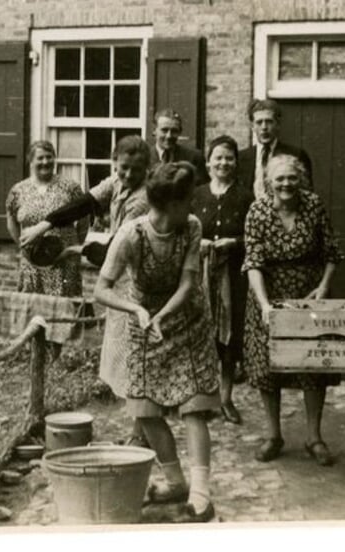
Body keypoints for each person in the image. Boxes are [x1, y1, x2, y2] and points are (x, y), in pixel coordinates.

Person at [93, 162, 220, 522]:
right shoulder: (131, 236)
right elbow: (101, 289)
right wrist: (135, 310)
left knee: (194, 406)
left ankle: (200, 493)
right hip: (141, 320)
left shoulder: (191, 227)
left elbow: (188, 283)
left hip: (187, 319)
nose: (192, 208)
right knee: (145, 410)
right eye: (188, 201)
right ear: (171, 205)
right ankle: (176, 482)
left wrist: (163, 315)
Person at [19, 135, 152, 444]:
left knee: (136, 357)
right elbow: (84, 204)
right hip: (121, 282)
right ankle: (139, 431)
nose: (128, 175)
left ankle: (142, 434)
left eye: (135, 170)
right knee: (126, 357)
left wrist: (75, 250)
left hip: (137, 283)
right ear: (114, 164)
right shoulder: (116, 183)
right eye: (122, 169)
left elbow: (116, 249)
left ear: (146, 168)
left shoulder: (142, 199)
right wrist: (45, 225)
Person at [242, 154, 341, 466]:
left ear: (301, 180)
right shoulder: (257, 211)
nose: (286, 184)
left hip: (309, 295)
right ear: (270, 181)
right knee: (267, 366)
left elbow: (331, 252)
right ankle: (274, 435)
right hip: (268, 295)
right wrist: (265, 305)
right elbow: (254, 262)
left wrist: (324, 287)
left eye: (292, 178)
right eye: (280, 179)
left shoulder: (313, 205)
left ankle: (314, 437)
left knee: (314, 365)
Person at [191, 135, 254, 424]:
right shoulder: (198, 194)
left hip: (233, 277)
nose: (223, 163)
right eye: (218, 157)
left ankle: (226, 399)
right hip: (200, 277)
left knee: (229, 338)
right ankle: (203, 398)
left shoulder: (245, 196)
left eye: (229, 158)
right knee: (201, 334)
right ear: (208, 163)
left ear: (236, 164)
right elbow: (186, 231)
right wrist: (198, 244)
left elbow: (253, 238)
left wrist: (234, 243)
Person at [5, 141, 87, 354]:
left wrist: (73, 247)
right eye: (40, 157)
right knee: (33, 301)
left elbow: (84, 219)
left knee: (60, 302)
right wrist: (21, 246)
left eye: (49, 156)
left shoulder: (70, 187)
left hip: (62, 259)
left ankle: (57, 353)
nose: (45, 162)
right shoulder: (18, 190)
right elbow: (11, 219)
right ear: (30, 160)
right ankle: (34, 351)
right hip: (32, 261)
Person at [237, 99, 313, 199]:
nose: (264, 127)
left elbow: (306, 194)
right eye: (259, 122)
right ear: (252, 126)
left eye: (269, 122)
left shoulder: (296, 155)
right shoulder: (241, 158)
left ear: (278, 124)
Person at [149, 108, 209, 184]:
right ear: (154, 130)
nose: (169, 136)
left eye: (174, 131)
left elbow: (202, 189)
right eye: (164, 130)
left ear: (180, 132)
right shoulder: (145, 157)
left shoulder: (194, 157)